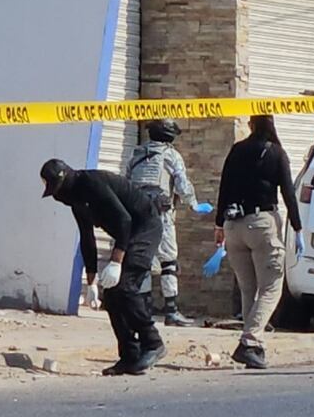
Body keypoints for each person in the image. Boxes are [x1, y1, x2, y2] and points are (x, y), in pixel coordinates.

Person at [40, 158, 167, 376]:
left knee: (125, 286)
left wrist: (116, 261)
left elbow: (125, 220)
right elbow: (87, 239)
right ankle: (129, 356)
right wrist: (91, 283)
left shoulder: (91, 183)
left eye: (58, 189)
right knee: (111, 295)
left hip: (145, 226)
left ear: (66, 179)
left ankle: (153, 342)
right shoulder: (76, 202)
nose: (58, 196)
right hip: (129, 234)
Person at [213, 115, 303, 370]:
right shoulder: (276, 153)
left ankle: (256, 347)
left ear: (251, 125)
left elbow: (224, 188)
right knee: (271, 287)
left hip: (233, 226)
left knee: (248, 289)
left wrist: (219, 225)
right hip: (262, 224)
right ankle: (249, 342)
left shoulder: (237, 150)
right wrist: (298, 228)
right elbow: (288, 193)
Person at [125, 119, 213, 327]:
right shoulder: (171, 155)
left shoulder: (137, 154)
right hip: (161, 214)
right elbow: (182, 184)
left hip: (137, 213)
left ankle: (144, 310)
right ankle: (171, 311)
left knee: (144, 261)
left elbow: (127, 183)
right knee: (168, 261)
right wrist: (194, 204)